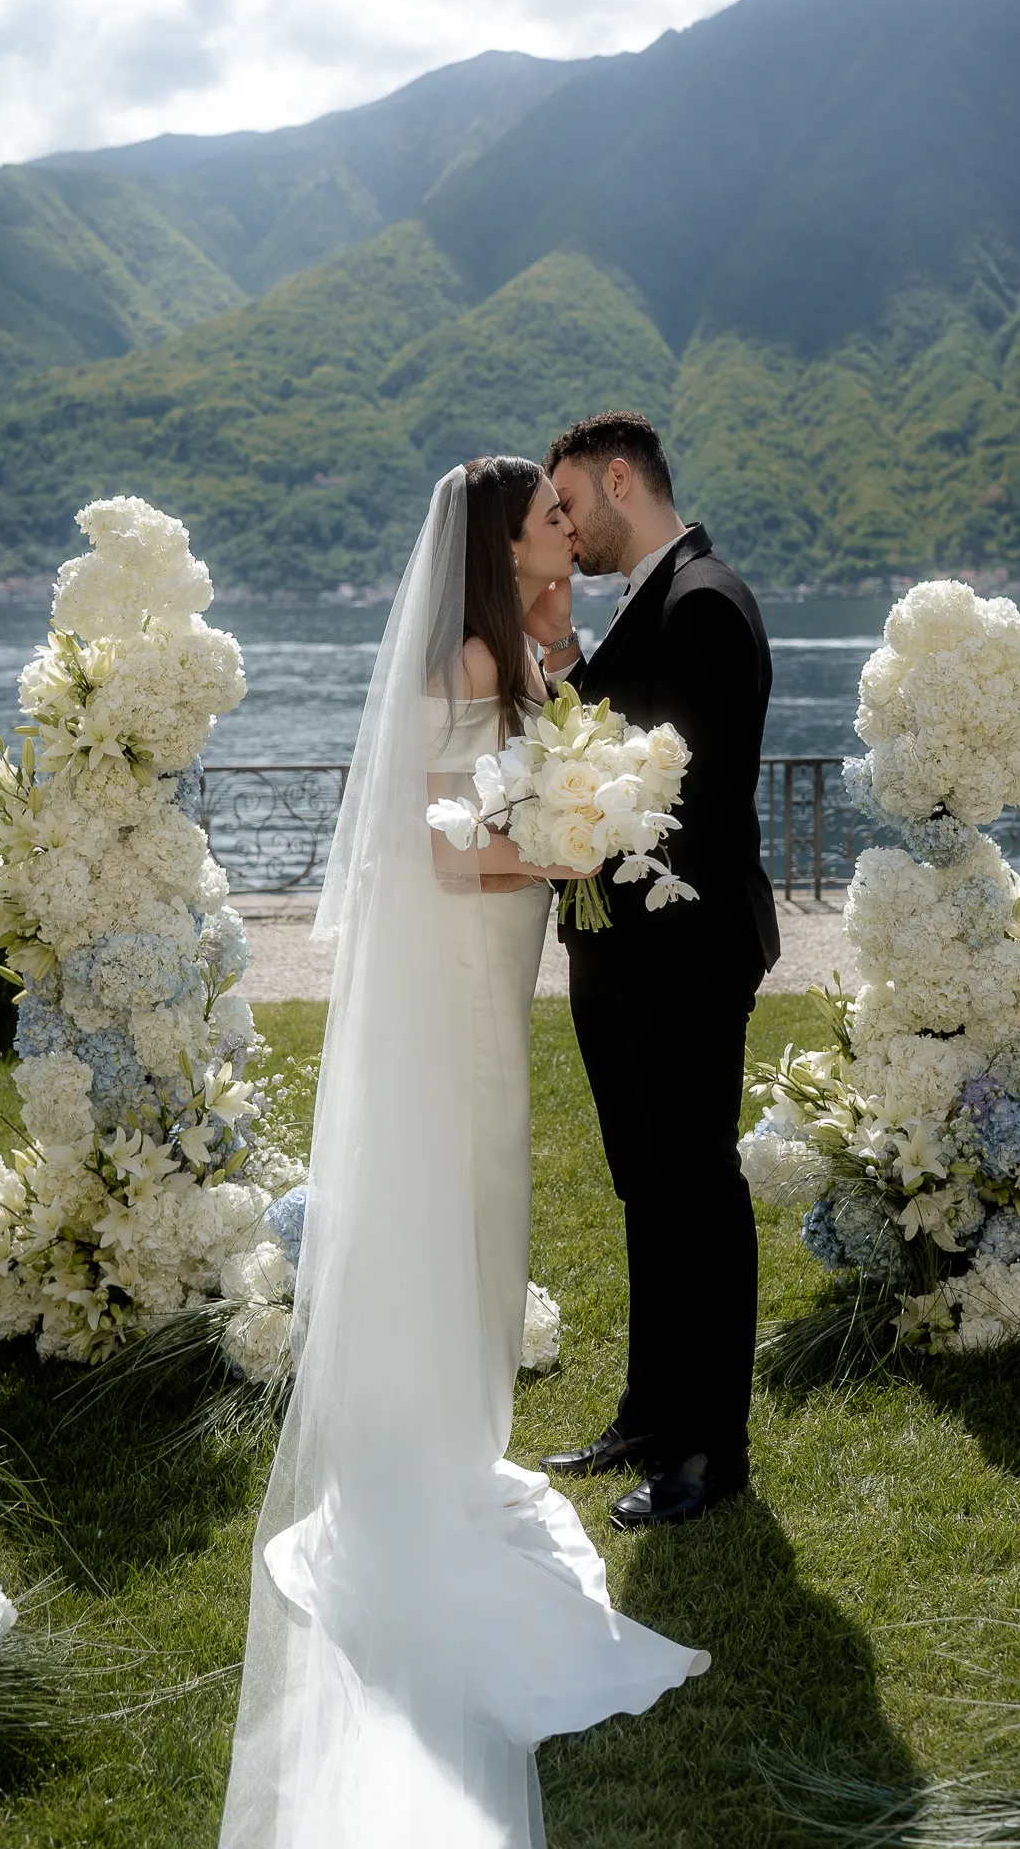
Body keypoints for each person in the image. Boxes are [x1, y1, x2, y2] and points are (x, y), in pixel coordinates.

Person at [219, 458, 708, 1849]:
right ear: (500, 538)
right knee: (467, 1193)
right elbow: (454, 852)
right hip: (458, 973)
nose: (571, 525)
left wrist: (559, 702)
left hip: (486, 977)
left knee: (486, 1200)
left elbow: (511, 760)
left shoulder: (518, 643)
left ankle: (446, 1434)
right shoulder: (471, 653)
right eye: (550, 517)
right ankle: (427, 1458)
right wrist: (564, 848)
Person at [528, 411, 779, 1531]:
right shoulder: (648, 602)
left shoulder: (706, 603)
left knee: (697, 1193)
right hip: (615, 946)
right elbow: (614, 735)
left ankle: (707, 1452)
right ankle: (648, 1409)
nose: (563, 530)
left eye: (568, 505)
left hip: (682, 953)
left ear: (618, 479)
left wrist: (572, 822)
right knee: (643, 1188)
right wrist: (565, 662)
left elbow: (697, 802)